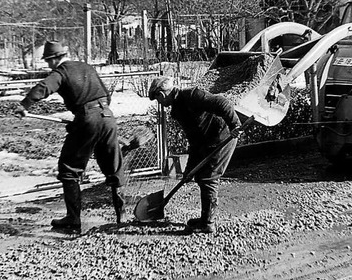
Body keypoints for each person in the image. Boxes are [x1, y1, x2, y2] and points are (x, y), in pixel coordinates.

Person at [15, 41, 125, 234]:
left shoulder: (61, 72)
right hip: (108, 117)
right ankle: (121, 217)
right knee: (113, 168)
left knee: (69, 169)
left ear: (54, 58)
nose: (49, 66)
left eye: (49, 61)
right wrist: (86, 118)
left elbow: (43, 87)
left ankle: (73, 219)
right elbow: (105, 95)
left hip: (89, 119)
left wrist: (24, 105)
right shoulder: (86, 67)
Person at [148, 76, 242, 234]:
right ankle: (205, 219)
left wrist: (235, 125)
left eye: (157, 99)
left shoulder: (191, 95)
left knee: (208, 178)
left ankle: (208, 223)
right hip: (207, 141)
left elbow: (222, 102)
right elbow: (195, 141)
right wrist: (188, 171)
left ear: (162, 94)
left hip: (222, 136)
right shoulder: (178, 109)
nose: (159, 104)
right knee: (200, 177)